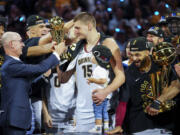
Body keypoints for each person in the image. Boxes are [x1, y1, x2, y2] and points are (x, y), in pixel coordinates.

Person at [107, 37, 180, 135]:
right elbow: (123, 102)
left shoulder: (161, 64)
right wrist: (118, 125)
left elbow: (176, 86)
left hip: (165, 125)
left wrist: (158, 101)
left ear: (148, 52)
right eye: (132, 55)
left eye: (137, 54)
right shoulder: (129, 73)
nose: (134, 59)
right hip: (140, 127)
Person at [0, 31, 66, 135]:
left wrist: (44, 77)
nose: (23, 44)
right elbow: (40, 68)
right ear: (12, 44)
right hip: (13, 121)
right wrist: (56, 54)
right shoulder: (10, 65)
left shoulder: (14, 64)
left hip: (18, 120)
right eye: (20, 41)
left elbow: (27, 89)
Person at [71, 12, 125, 132]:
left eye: (78, 27)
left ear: (89, 26)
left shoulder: (108, 43)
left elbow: (121, 76)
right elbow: (64, 78)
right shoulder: (77, 47)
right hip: (81, 112)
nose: (75, 31)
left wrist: (105, 91)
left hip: (103, 109)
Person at [88, 45, 112, 133]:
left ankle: (98, 128)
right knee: (104, 111)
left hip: (100, 95)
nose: (91, 57)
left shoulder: (100, 68)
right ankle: (105, 127)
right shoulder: (103, 68)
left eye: (92, 55)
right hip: (105, 95)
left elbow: (103, 80)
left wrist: (92, 79)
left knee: (97, 111)